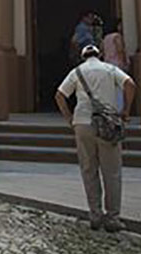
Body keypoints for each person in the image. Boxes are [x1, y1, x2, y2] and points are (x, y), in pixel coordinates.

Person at [55, 43, 136, 233]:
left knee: (88, 169)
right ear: (99, 55)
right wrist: (126, 110)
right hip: (107, 123)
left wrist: (69, 118)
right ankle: (113, 217)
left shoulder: (77, 72)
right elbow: (130, 84)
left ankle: (95, 214)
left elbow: (59, 95)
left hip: (82, 122)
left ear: (83, 56)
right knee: (112, 171)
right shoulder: (109, 69)